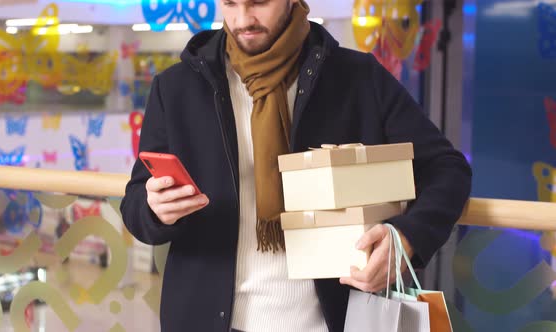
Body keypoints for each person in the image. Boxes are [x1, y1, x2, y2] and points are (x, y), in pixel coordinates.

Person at [120, 0, 472, 331]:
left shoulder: (357, 78)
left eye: (259, 3)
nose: (243, 20)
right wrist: (153, 209)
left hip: (330, 320)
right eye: (229, 3)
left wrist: (406, 238)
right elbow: (135, 202)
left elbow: (446, 168)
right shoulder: (177, 88)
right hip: (205, 319)